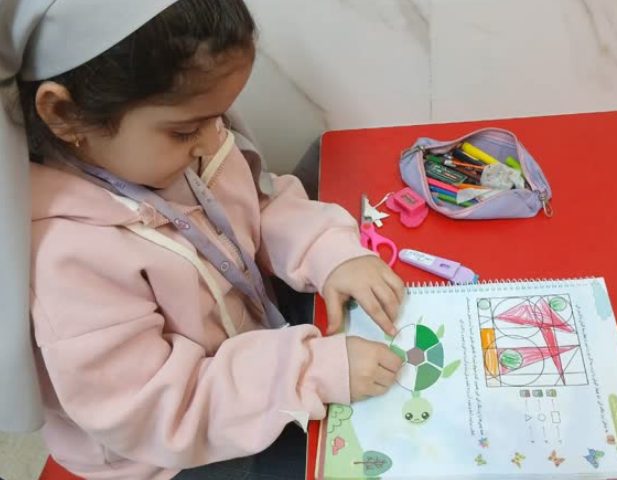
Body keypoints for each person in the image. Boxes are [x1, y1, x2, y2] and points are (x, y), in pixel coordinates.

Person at [5, 0, 405, 478]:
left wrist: (326, 251)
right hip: (167, 451)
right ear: (64, 114)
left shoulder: (181, 150)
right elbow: (156, 410)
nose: (214, 140)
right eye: (185, 130)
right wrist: (308, 371)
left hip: (255, 356)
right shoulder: (65, 259)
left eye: (219, 117)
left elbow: (257, 205)